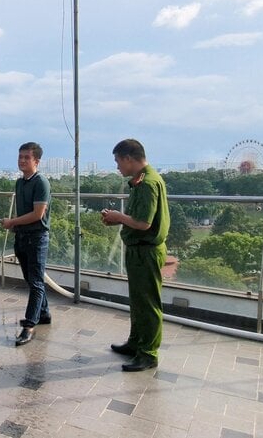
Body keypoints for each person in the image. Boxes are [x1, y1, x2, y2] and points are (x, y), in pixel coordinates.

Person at [101, 138, 169, 371]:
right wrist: (118, 220)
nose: (117, 166)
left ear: (129, 158)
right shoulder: (142, 180)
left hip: (146, 251)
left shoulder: (148, 183)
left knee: (147, 303)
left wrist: (118, 218)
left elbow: (143, 223)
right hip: (139, 250)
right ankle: (136, 343)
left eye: (118, 161)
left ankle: (148, 353)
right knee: (139, 301)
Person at [1, 142, 52, 346]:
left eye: (26, 158)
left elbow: (38, 214)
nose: (22, 160)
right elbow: (23, 213)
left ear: (36, 161)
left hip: (37, 239)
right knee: (33, 280)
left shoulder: (41, 183)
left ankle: (29, 326)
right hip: (21, 237)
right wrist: (14, 225)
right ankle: (45, 314)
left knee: (36, 282)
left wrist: (12, 222)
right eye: (20, 156)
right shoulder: (20, 182)